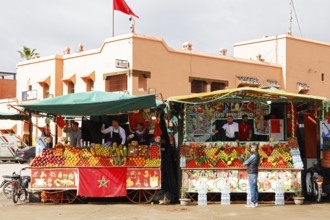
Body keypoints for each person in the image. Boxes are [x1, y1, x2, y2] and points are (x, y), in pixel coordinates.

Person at [243, 143, 260, 208]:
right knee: (255, 187)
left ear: (255, 148)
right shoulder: (257, 155)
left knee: (252, 187)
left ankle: (253, 202)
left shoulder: (254, 155)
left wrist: (244, 161)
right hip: (255, 172)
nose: (251, 148)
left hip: (252, 173)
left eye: (252, 147)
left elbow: (246, 162)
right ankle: (255, 202)